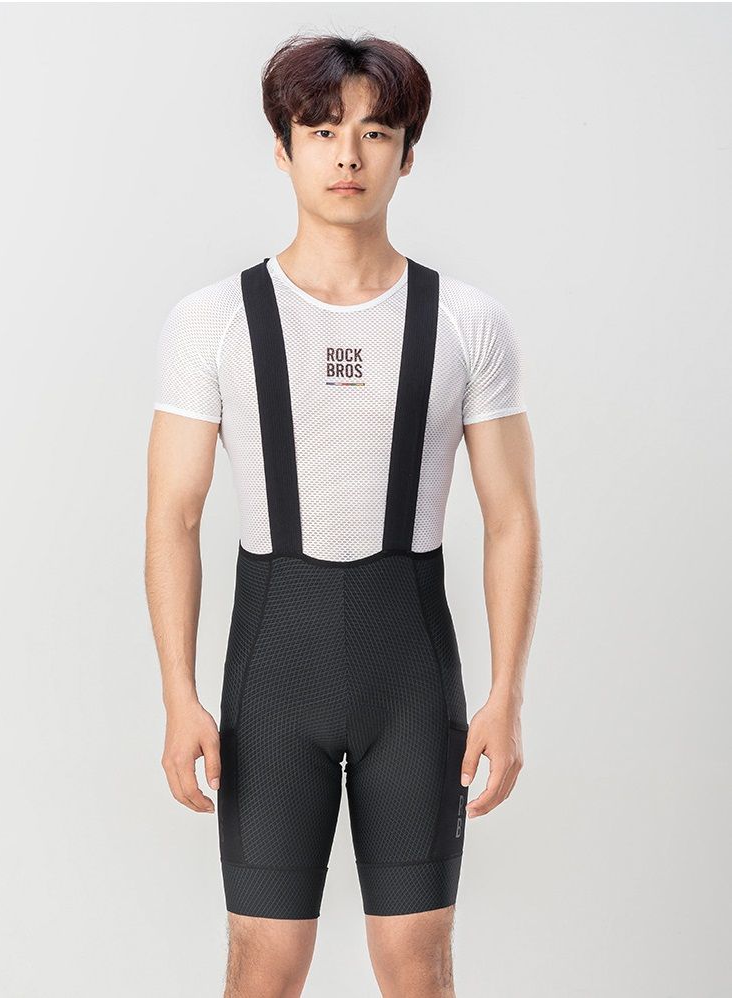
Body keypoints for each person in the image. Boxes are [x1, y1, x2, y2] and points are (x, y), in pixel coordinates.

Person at [145, 31, 540, 998]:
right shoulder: (212, 321)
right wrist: (178, 696)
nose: (348, 155)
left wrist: (505, 696)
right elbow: (173, 518)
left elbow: (511, 519)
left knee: (416, 969)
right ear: (283, 150)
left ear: (408, 153)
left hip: (413, 682)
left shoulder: (466, 322)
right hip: (270, 683)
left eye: (375, 132)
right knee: (263, 967)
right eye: (322, 131)